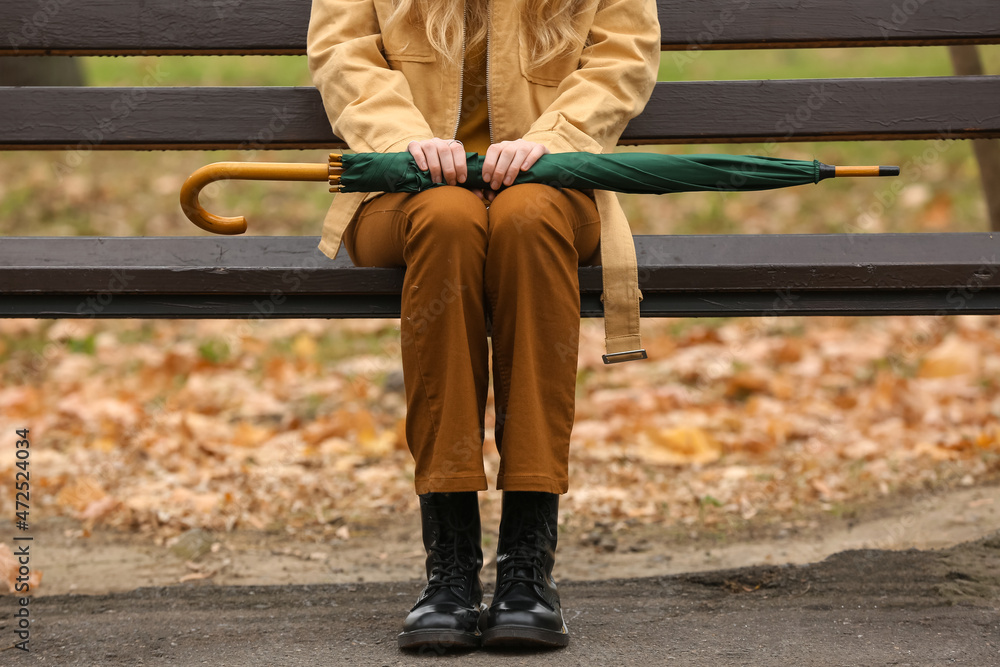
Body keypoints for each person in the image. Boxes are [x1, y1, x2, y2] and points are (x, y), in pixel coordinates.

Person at [307, 0, 660, 650]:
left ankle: (528, 566)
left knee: (525, 220)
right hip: (406, 189)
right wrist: (402, 139)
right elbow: (344, 53)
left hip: (552, 185)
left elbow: (622, 59)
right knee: (449, 220)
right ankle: (450, 567)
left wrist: (549, 139)